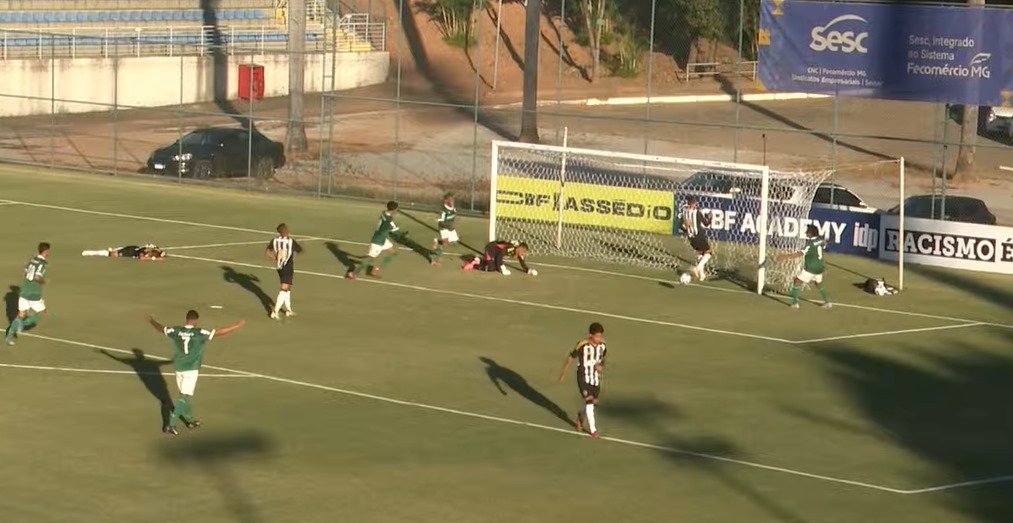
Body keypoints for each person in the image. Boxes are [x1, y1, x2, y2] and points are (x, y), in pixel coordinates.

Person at [147, 310, 245, 435]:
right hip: (191, 369)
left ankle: (190, 420)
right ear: (195, 321)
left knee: (184, 395)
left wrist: (151, 321)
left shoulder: (176, 331)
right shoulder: (199, 333)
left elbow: (161, 328)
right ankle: (170, 425)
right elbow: (219, 332)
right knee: (184, 396)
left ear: (186, 319)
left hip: (179, 368)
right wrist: (236, 326)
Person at [558, 322, 607, 439]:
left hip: (595, 378)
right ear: (591, 335)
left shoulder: (603, 345)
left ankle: (581, 415)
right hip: (583, 377)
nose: (599, 339)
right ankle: (593, 430)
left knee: (593, 403)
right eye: (597, 336)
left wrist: (601, 366)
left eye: (600, 336)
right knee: (589, 402)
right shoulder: (582, 345)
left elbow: (603, 357)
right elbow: (571, 358)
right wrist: (563, 373)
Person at [5, 242, 51, 347]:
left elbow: (26, 273)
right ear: (46, 251)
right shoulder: (43, 263)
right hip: (33, 293)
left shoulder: (32, 260)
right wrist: (45, 282)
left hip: (24, 291)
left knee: (21, 315)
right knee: (42, 312)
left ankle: (8, 339)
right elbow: (37, 277)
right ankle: (22, 324)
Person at [779, 224, 832, 309]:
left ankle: (795, 303)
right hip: (820, 268)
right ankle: (828, 302)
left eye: (807, 231)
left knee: (797, 281)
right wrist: (827, 241)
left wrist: (786, 257)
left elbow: (799, 254)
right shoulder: (820, 240)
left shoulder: (809, 244)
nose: (806, 233)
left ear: (811, 233)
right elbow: (825, 242)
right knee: (818, 283)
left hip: (811, 268)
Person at [347, 201, 403, 280]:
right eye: (397, 209)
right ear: (394, 210)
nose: (397, 211)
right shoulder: (389, 220)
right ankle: (353, 274)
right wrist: (402, 234)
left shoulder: (384, 213)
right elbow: (395, 231)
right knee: (370, 259)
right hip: (378, 241)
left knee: (392, 253)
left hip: (382, 239)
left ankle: (376, 270)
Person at [265, 223, 303, 319]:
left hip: (280, 267)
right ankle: (275, 311)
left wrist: (275, 258)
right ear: (284, 231)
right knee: (284, 288)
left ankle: (288, 310)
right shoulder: (291, 241)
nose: (287, 231)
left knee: (288, 288)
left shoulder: (274, 241)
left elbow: (267, 252)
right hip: (287, 267)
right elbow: (300, 250)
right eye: (286, 229)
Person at [462, 240, 537, 276]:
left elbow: (522, 263)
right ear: (519, 248)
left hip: (497, 253)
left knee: (495, 266)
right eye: (523, 251)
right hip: (491, 249)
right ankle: (474, 264)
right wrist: (502, 268)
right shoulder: (511, 248)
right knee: (491, 268)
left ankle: (479, 260)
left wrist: (528, 270)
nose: (523, 254)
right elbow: (499, 257)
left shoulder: (518, 252)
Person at [680, 197, 712, 281]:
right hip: (699, 236)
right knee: (708, 253)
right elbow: (706, 224)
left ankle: (701, 275)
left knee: (701, 254)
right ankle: (698, 268)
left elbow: (681, 226)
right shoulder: (697, 213)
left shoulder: (684, 213)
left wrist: (688, 230)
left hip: (691, 238)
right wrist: (710, 218)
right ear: (694, 204)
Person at [430, 193, 458, 266]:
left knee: (453, 242)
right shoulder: (444, 211)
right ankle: (435, 259)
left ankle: (438, 241)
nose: (452, 201)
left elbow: (453, 218)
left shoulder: (454, 209)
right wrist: (448, 226)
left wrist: (452, 225)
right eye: (451, 200)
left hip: (450, 227)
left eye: (453, 200)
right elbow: (441, 222)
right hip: (444, 228)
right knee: (444, 244)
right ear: (446, 201)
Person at [81, 244, 166, 260]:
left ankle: (91, 252)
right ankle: (91, 252)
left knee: (111, 253)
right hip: (129, 251)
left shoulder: (145, 252)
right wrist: (156, 258)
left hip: (130, 250)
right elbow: (142, 258)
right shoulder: (143, 252)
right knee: (110, 254)